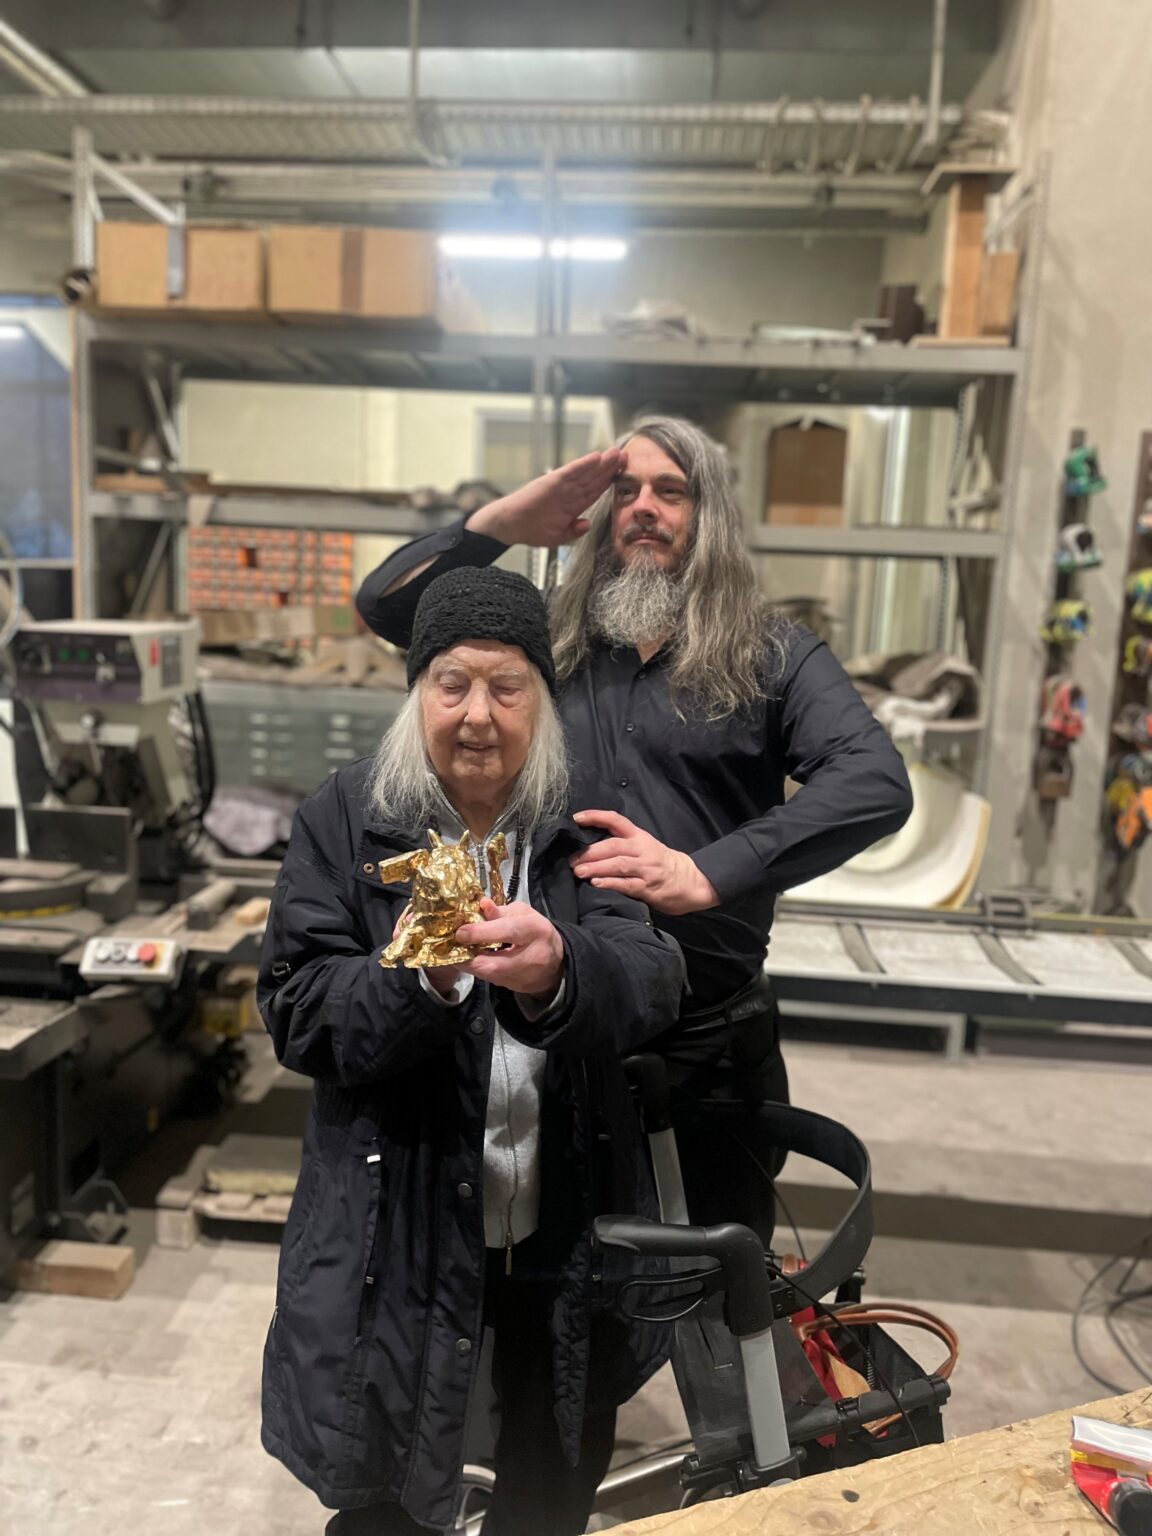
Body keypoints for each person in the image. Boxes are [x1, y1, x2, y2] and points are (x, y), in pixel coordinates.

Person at [356, 416, 913, 1240]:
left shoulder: (772, 656)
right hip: (556, 1027)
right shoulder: (548, 639)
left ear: (707, 514)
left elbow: (874, 781)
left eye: (670, 491)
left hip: (708, 1041)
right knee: (554, 1276)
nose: (644, 507)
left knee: (717, 1286)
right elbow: (387, 603)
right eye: (625, 490)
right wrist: (502, 524)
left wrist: (708, 872)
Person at [258, 566, 685, 1536]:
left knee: (549, 1479)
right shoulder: (348, 819)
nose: (478, 715)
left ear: (543, 701)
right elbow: (297, 1008)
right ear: (418, 694)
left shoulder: (585, 821)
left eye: (507, 687)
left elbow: (653, 977)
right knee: (387, 1488)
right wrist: (425, 982)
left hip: (559, 1222)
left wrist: (560, 968)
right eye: (452, 683)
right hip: (393, 1230)